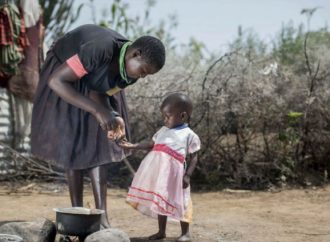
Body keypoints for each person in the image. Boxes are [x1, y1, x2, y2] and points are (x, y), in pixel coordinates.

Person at [30, 24, 166, 228]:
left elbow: (99, 91)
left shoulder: (129, 72)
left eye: (147, 75)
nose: (142, 77)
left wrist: (111, 115)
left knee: (100, 145)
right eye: (144, 71)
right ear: (135, 54)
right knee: (73, 141)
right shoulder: (99, 49)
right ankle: (76, 214)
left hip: (89, 75)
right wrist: (97, 111)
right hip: (65, 73)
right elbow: (57, 81)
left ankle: (101, 216)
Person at [115, 93, 201, 242]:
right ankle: (161, 231)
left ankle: (185, 233)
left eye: (168, 116)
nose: (164, 119)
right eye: (164, 116)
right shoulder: (163, 131)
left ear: (182, 116)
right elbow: (151, 144)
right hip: (160, 173)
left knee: (183, 201)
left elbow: (194, 157)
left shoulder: (190, 135)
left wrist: (187, 175)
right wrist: (133, 146)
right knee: (161, 200)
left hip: (177, 176)